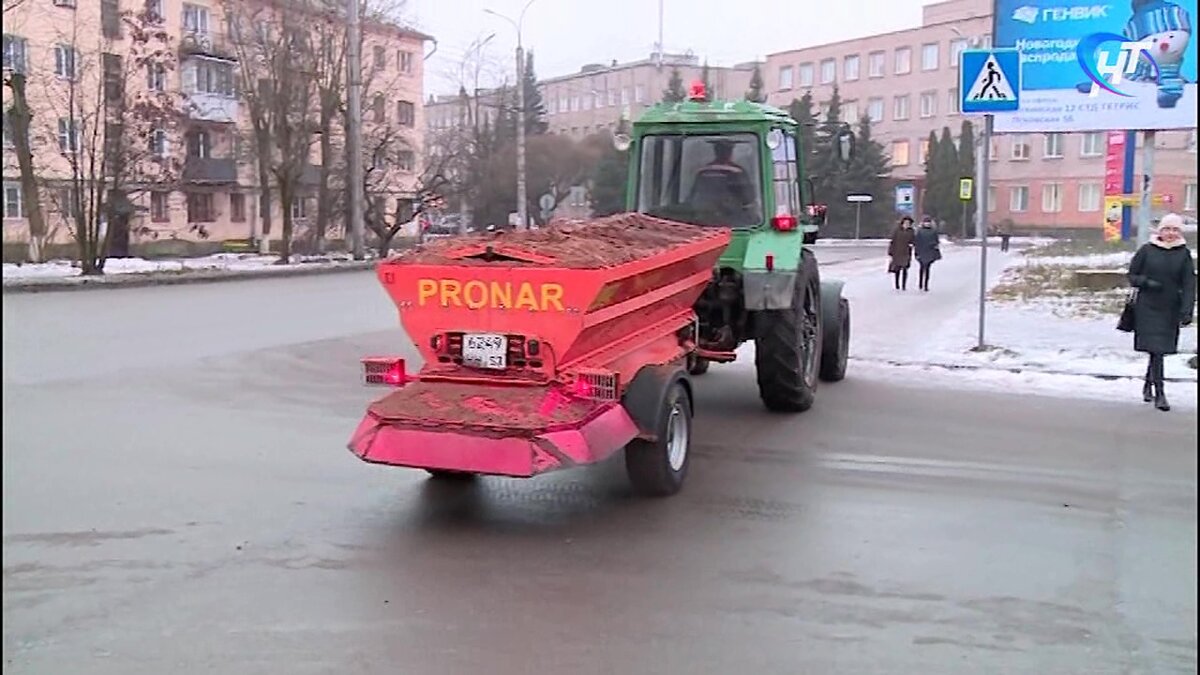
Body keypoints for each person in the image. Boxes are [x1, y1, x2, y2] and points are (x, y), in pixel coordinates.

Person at [1127, 213, 1195, 411]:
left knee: (1159, 351)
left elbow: (1189, 284)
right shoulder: (1147, 250)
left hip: (1170, 308)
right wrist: (1147, 283)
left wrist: (1187, 310)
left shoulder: (1183, 254)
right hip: (1147, 306)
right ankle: (1160, 394)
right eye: (1167, 229)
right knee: (1156, 350)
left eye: (1175, 229)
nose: (1171, 233)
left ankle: (1148, 384)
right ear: (1160, 231)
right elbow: (1132, 275)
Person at [913, 217, 942, 292]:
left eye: (928, 222)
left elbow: (936, 242)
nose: (927, 224)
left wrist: (934, 247)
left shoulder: (933, 231)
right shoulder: (920, 231)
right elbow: (917, 242)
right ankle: (920, 284)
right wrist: (916, 253)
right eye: (926, 222)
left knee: (927, 268)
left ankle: (925, 285)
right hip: (921, 251)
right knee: (922, 268)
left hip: (930, 251)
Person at [887, 216, 916, 291]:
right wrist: (890, 252)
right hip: (897, 252)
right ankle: (897, 285)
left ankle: (904, 285)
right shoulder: (897, 230)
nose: (907, 224)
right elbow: (892, 241)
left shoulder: (911, 231)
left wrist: (912, 244)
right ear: (902, 223)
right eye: (905, 223)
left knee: (905, 269)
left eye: (908, 223)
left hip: (906, 252)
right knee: (897, 269)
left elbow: (914, 240)